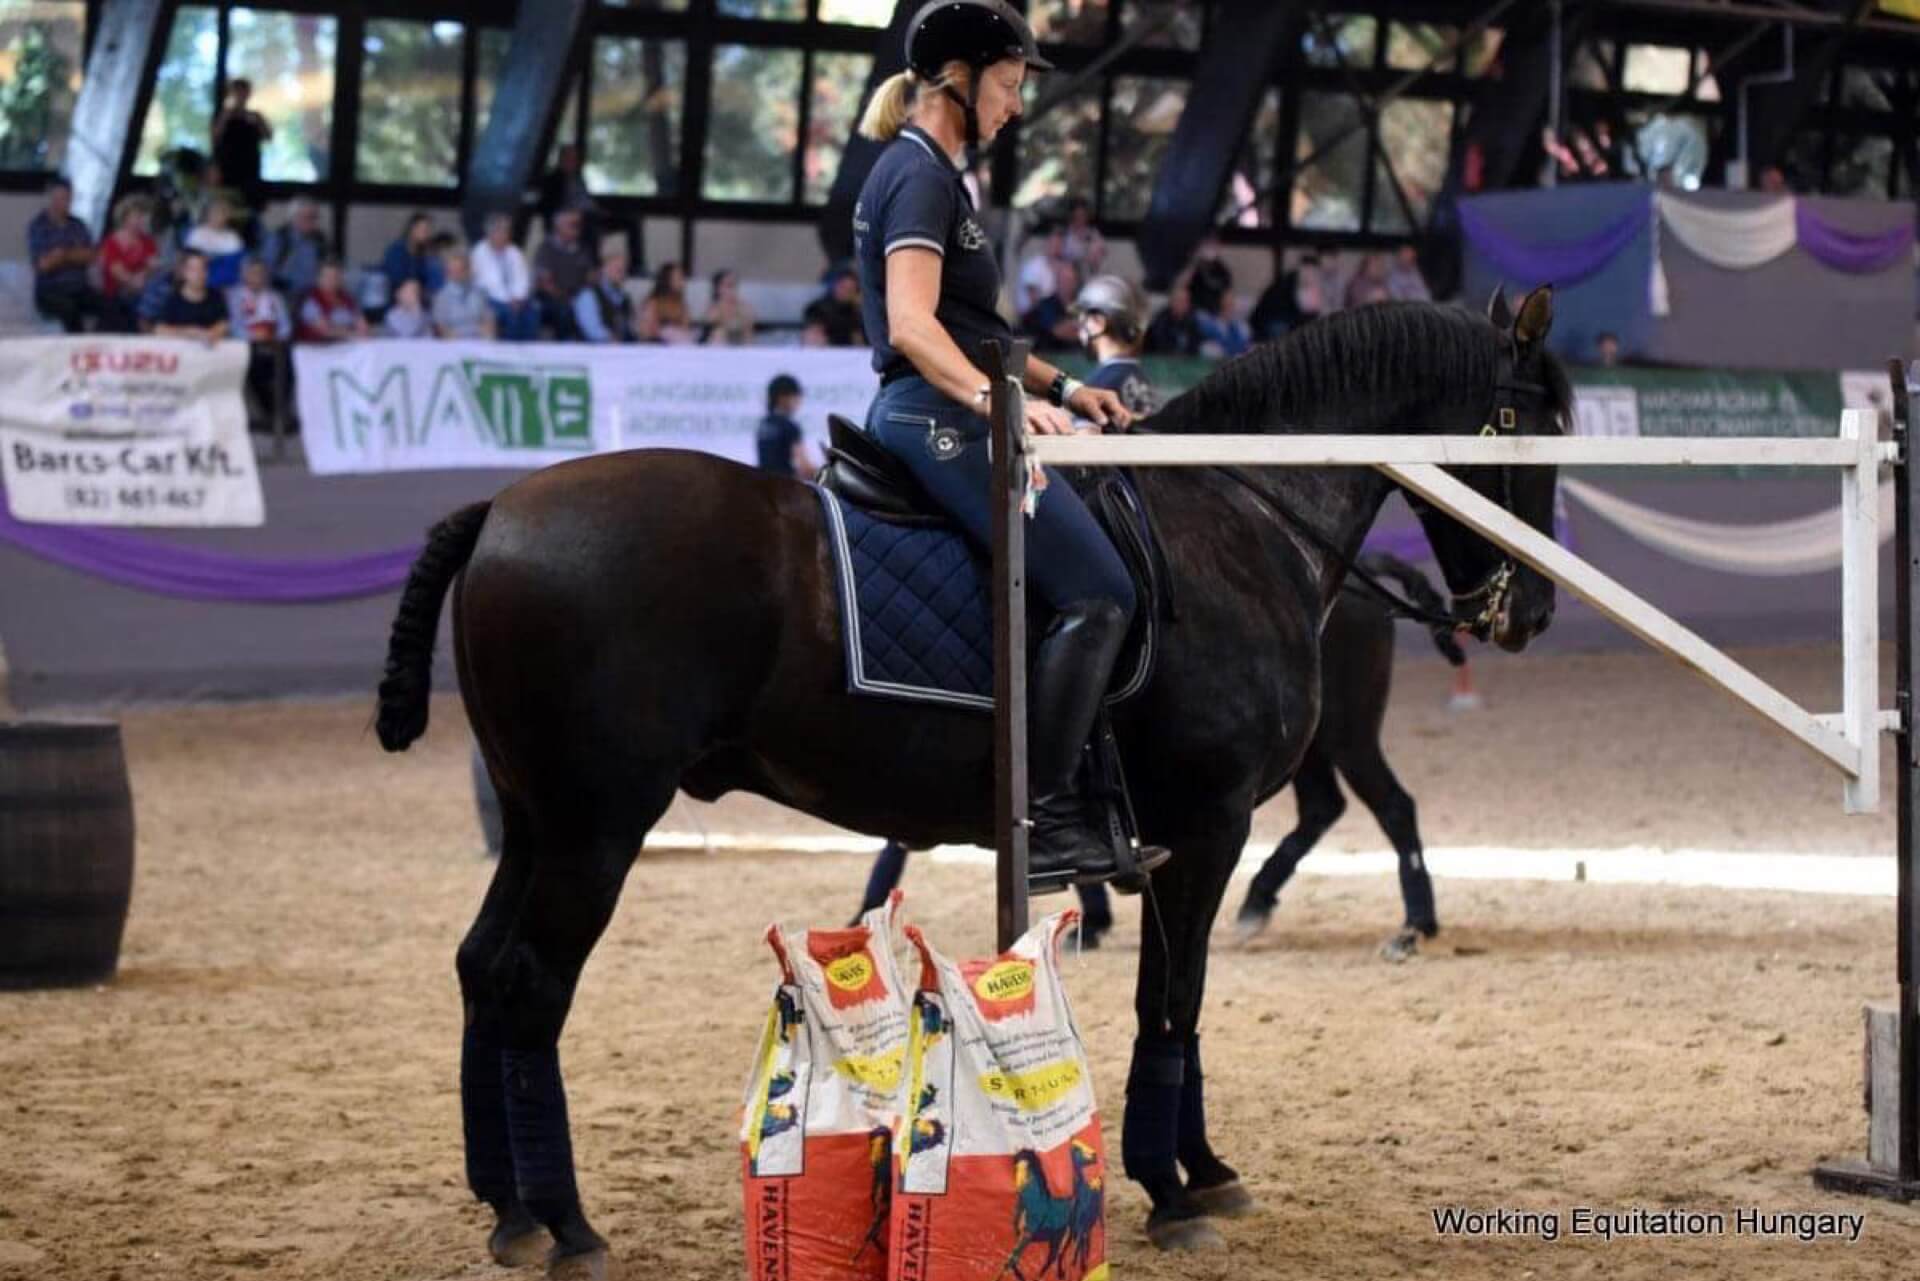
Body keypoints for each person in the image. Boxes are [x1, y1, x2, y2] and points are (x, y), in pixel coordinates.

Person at [850, 0, 1168, 893]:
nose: (1017, 103)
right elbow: (914, 326)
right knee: (1102, 591)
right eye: (1010, 82)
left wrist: (1067, 389)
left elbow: (974, 328)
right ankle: (1047, 818)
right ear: (960, 78)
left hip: (948, 402)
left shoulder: (937, 177)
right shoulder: (918, 176)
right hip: (932, 415)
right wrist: (1001, 405)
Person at [1073, 274, 1156, 417]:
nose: (1080, 326)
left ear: (1098, 323)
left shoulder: (1099, 386)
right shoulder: (1140, 379)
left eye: (1084, 318)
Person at [27, 176, 103, 332]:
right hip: (50, 291)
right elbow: (43, 265)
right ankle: (78, 345)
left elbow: (91, 256)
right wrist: (75, 254)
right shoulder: (38, 227)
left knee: (110, 306)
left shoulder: (78, 225)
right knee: (70, 310)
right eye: (57, 198)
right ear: (49, 198)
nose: (61, 203)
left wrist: (63, 254)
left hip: (80, 288)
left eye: (65, 198)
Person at [227, 256, 291, 430]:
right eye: (253, 273)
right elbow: (234, 326)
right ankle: (271, 414)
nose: (257, 277)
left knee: (288, 363)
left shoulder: (275, 297)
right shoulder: (235, 296)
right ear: (245, 275)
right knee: (254, 365)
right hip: (248, 343)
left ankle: (280, 412)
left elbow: (285, 326)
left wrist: (275, 337)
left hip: (274, 343)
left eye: (261, 273)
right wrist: (254, 336)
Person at [470, 212, 539, 341]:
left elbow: (522, 278)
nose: (505, 235)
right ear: (490, 233)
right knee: (511, 314)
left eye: (506, 231)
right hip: (490, 298)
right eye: (501, 231)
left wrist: (518, 297)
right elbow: (487, 283)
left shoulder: (514, 251)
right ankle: (509, 349)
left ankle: (529, 349)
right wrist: (509, 300)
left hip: (515, 299)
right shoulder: (479, 252)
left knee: (534, 311)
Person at [211, 78, 272, 221]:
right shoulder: (224, 115)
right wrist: (225, 118)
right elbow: (215, 138)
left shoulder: (255, 116)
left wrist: (257, 122)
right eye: (237, 92)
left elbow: (268, 136)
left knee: (250, 212)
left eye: (243, 92)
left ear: (248, 94)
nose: (240, 95)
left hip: (250, 170)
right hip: (229, 171)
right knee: (228, 209)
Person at [99, 196, 160, 332]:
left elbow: (154, 266)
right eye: (136, 216)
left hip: (144, 290)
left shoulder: (148, 241)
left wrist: (143, 275)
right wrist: (136, 280)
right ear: (124, 218)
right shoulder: (111, 243)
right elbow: (119, 274)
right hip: (117, 294)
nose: (141, 220)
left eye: (142, 216)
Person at [534, 207, 592, 340]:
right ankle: (566, 346)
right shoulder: (546, 248)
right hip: (551, 299)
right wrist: (567, 299)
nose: (576, 229)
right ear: (559, 226)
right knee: (564, 310)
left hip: (577, 297)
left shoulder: (582, 249)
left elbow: (590, 276)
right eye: (572, 225)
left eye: (578, 225)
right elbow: (545, 284)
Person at [153, 250, 229, 345]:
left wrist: (212, 334)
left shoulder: (216, 296)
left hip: (210, 350)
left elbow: (224, 323)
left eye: (203, 269)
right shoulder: (172, 298)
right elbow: (159, 329)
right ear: (185, 272)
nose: (199, 274)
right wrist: (189, 333)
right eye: (193, 269)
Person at [755, 374, 816, 480]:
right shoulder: (789, 427)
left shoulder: (764, 424)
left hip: (763, 484)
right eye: (797, 397)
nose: (799, 402)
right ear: (783, 398)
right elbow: (805, 469)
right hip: (784, 486)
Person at [574, 246, 637, 343]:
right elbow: (593, 331)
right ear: (604, 269)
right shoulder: (588, 295)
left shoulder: (625, 299)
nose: (622, 273)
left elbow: (630, 327)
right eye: (617, 269)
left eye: (624, 269)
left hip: (622, 348)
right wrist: (612, 339)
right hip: (594, 350)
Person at [296, 258, 368, 343]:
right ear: (319, 279)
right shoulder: (311, 301)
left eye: (336, 276)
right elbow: (325, 331)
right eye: (327, 277)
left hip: (348, 344)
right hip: (318, 347)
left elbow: (361, 323)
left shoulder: (347, 298)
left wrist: (362, 328)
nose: (332, 281)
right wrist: (353, 333)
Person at [184, 195, 247, 290]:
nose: (218, 216)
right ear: (208, 213)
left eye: (223, 212)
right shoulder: (196, 233)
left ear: (228, 216)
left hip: (226, 285)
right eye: (215, 211)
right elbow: (189, 260)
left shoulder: (234, 238)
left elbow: (235, 267)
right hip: (198, 281)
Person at [432, 247, 496, 340]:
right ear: (448, 273)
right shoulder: (441, 297)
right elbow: (441, 327)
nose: (456, 274)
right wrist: (456, 339)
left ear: (468, 270)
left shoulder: (480, 293)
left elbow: (489, 320)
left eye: (460, 270)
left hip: (479, 340)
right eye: (453, 271)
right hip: (454, 341)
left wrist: (488, 335)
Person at [1020, 257, 1081, 351]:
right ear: (1057, 281)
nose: (1067, 284)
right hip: (1050, 353)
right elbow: (1058, 331)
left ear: (1075, 282)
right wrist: (1079, 329)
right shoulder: (1046, 305)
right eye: (1064, 279)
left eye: (1070, 280)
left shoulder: (1080, 305)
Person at [381, 212, 445, 303]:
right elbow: (397, 279)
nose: (427, 233)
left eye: (429, 230)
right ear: (412, 229)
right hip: (398, 299)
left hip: (421, 299)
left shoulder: (424, 253)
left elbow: (433, 280)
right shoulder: (397, 251)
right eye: (424, 229)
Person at [804, 267, 866, 346]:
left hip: (849, 349)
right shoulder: (817, 308)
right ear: (835, 285)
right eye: (843, 287)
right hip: (827, 349)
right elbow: (814, 335)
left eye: (850, 290)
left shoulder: (856, 311)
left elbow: (859, 340)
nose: (845, 292)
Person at [637, 261, 696, 344]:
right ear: (668, 280)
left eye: (683, 278)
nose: (682, 282)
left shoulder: (681, 304)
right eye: (679, 278)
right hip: (657, 345)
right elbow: (645, 331)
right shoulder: (653, 303)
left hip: (679, 345)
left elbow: (686, 327)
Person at [1144, 277, 1204, 355]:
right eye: (1179, 301)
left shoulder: (1194, 319)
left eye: (1185, 301)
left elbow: (1196, 342)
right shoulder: (1162, 320)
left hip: (1186, 358)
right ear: (1172, 302)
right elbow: (1160, 343)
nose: (1182, 304)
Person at [701, 269, 756, 346]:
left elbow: (750, 323)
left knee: (748, 334)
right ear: (718, 288)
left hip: (739, 341)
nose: (732, 289)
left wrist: (739, 310)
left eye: (734, 285)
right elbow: (710, 324)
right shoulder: (713, 308)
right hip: (720, 343)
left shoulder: (743, 306)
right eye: (728, 285)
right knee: (719, 333)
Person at [1187, 235, 1233, 316]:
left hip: (1214, 312)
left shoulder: (1223, 271)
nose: (1211, 248)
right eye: (1208, 245)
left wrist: (1224, 312)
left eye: (1214, 245)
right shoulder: (1194, 267)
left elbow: (1227, 294)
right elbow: (1184, 288)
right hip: (1194, 310)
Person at [1059, 197, 1106, 276]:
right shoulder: (1064, 234)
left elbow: (1102, 252)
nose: (1080, 218)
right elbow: (1058, 256)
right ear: (1072, 215)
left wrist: (1096, 254)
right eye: (1077, 215)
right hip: (1068, 274)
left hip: (1089, 272)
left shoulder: (1093, 233)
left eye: (1083, 215)